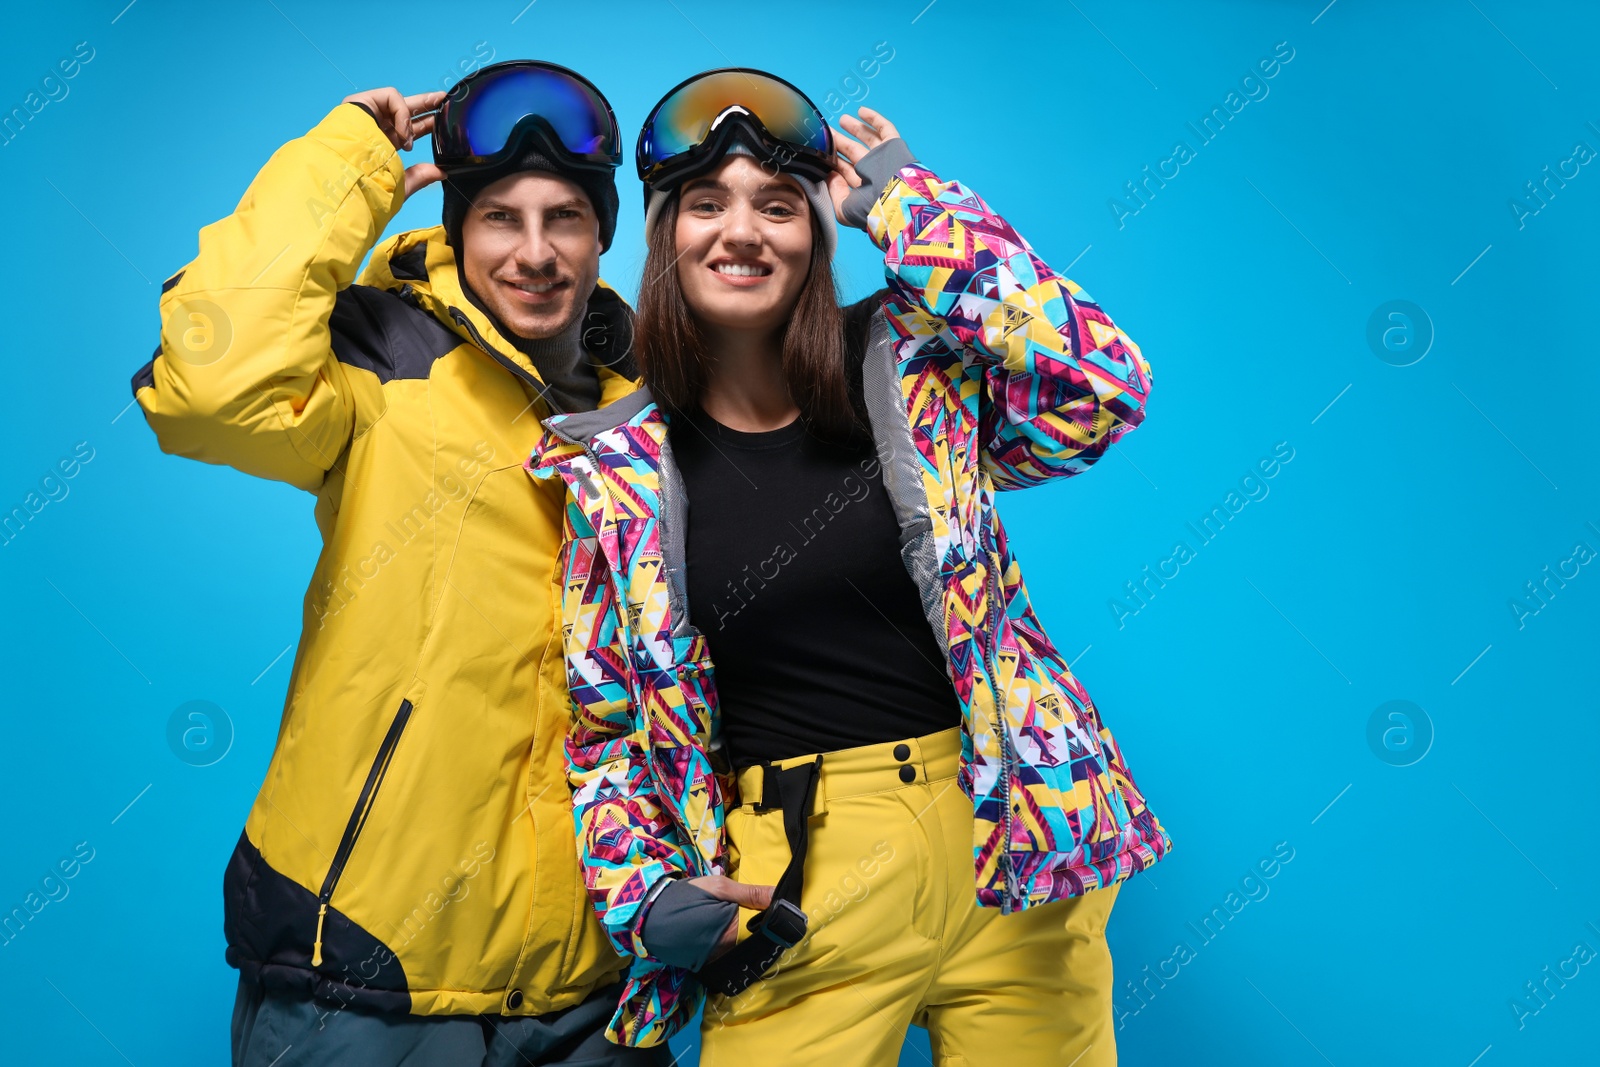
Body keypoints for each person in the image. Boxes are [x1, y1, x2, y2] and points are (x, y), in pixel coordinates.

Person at [528, 68, 1172, 1064]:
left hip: (1006, 836)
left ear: (816, 233)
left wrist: (913, 206)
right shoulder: (616, 472)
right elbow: (607, 718)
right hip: (795, 875)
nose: (741, 232)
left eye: (777, 206)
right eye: (706, 204)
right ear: (663, 236)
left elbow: (1100, 383)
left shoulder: (914, 365)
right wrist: (647, 893)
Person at [131, 60, 665, 1066]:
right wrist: (346, 164)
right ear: (460, 229)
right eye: (501, 217)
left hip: (599, 982)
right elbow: (210, 385)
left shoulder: (651, 420)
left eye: (566, 219)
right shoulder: (382, 361)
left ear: (605, 235)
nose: (536, 252)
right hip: (363, 981)